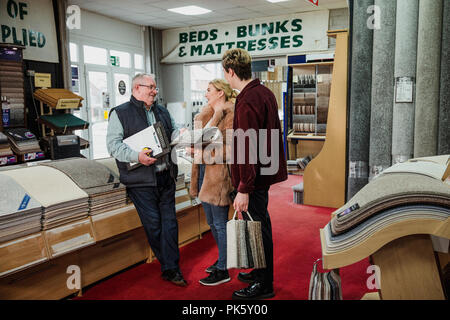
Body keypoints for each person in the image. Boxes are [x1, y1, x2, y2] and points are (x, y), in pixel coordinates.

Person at [106, 73, 187, 286]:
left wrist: (181, 134)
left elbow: (173, 132)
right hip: (141, 182)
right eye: (150, 87)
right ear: (136, 89)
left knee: (170, 224)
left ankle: (172, 268)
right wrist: (137, 156)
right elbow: (113, 145)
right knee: (154, 226)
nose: (154, 91)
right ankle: (169, 264)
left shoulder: (162, 111)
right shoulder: (120, 113)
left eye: (155, 87)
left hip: (166, 176)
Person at [222, 48, 288, 299]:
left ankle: (264, 283)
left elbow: (247, 146)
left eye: (226, 74)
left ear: (230, 71)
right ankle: (260, 272)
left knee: (259, 229)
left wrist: (244, 188)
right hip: (262, 173)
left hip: (253, 178)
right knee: (259, 226)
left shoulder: (248, 99)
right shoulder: (264, 93)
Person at [188, 79, 236, 286]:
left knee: (219, 223)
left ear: (220, 93)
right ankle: (222, 260)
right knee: (211, 223)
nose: (205, 93)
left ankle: (223, 269)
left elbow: (232, 150)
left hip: (218, 176)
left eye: (208, 90)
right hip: (202, 174)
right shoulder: (205, 115)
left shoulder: (230, 114)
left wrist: (203, 151)